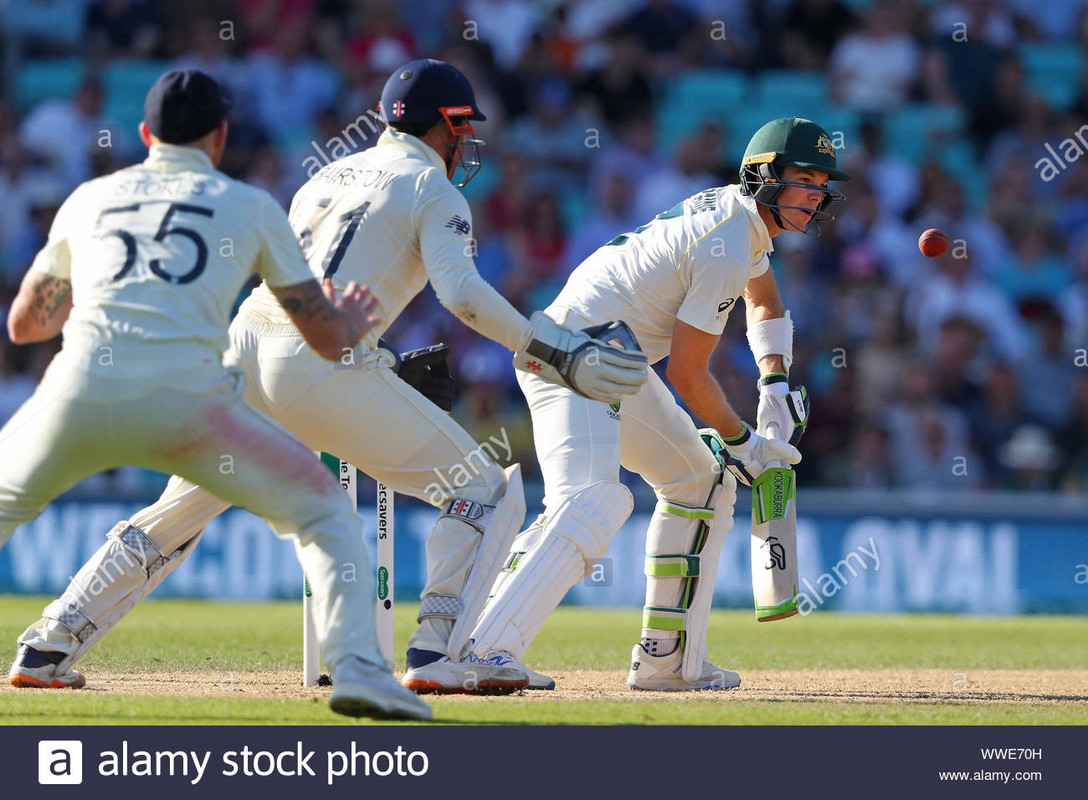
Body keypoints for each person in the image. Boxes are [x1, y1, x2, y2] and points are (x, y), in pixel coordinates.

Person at [7, 60, 648, 697]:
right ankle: (437, 652)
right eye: (463, 128)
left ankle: (47, 643)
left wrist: (385, 367)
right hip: (319, 364)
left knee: (176, 513)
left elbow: (319, 282)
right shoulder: (435, 190)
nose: (466, 142)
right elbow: (464, 296)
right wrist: (558, 350)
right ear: (447, 123)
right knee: (484, 494)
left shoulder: (325, 176)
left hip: (245, 347)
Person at [1, 70, 432, 720]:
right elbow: (321, 339)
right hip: (189, 408)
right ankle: (358, 671)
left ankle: (46, 649)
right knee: (326, 517)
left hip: (78, 395)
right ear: (220, 137)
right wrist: (352, 318)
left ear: (145, 135)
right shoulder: (250, 204)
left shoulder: (89, 198)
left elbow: (25, 326)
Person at [468, 117, 850, 691]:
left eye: (823, 183)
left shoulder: (739, 223)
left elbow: (765, 302)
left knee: (700, 480)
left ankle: (667, 661)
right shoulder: (725, 240)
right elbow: (689, 374)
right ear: (764, 176)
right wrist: (744, 442)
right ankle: (482, 650)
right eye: (805, 179)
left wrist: (774, 385)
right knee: (591, 501)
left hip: (614, 362)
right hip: (572, 353)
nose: (816, 195)